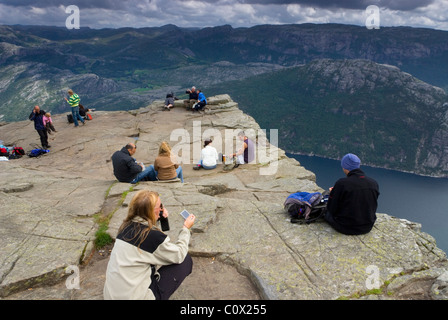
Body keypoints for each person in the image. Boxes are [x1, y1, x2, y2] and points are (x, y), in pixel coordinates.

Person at [103, 190, 196, 300]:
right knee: (185, 260)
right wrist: (186, 229)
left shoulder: (125, 227)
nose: (162, 208)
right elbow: (178, 254)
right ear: (151, 211)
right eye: (160, 206)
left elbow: (151, 241)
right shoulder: (152, 237)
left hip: (111, 296)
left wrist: (158, 219)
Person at [324, 153, 380, 235]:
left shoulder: (342, 183)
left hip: (345, 227)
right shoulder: (374, 183)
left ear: (345, 167)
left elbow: (331, 209)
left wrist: (333, 193)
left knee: (325, 212)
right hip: (367, 226)